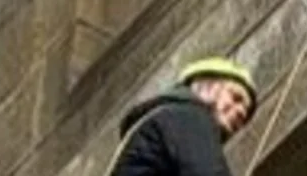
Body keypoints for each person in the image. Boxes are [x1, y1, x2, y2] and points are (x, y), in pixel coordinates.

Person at [108, 58, 259, 176]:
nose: (241, 112)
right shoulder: (190, 117)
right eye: (236, 97)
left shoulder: (166, 119)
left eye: (245, 115)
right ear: (206, 88)